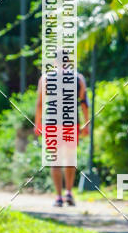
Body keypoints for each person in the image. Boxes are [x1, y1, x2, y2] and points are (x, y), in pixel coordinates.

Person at [34, 54, 90, 207]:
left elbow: (40, 103)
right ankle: (69, 193)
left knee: (55, 161)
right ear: (69, 61)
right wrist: (87, 124)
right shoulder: (79, 78)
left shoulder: (45, 78)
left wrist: (37, 123)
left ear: (54, 61)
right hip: (71, 123)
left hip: (52, 122)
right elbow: (84, 102)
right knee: (70, 159)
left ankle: (58, 197)